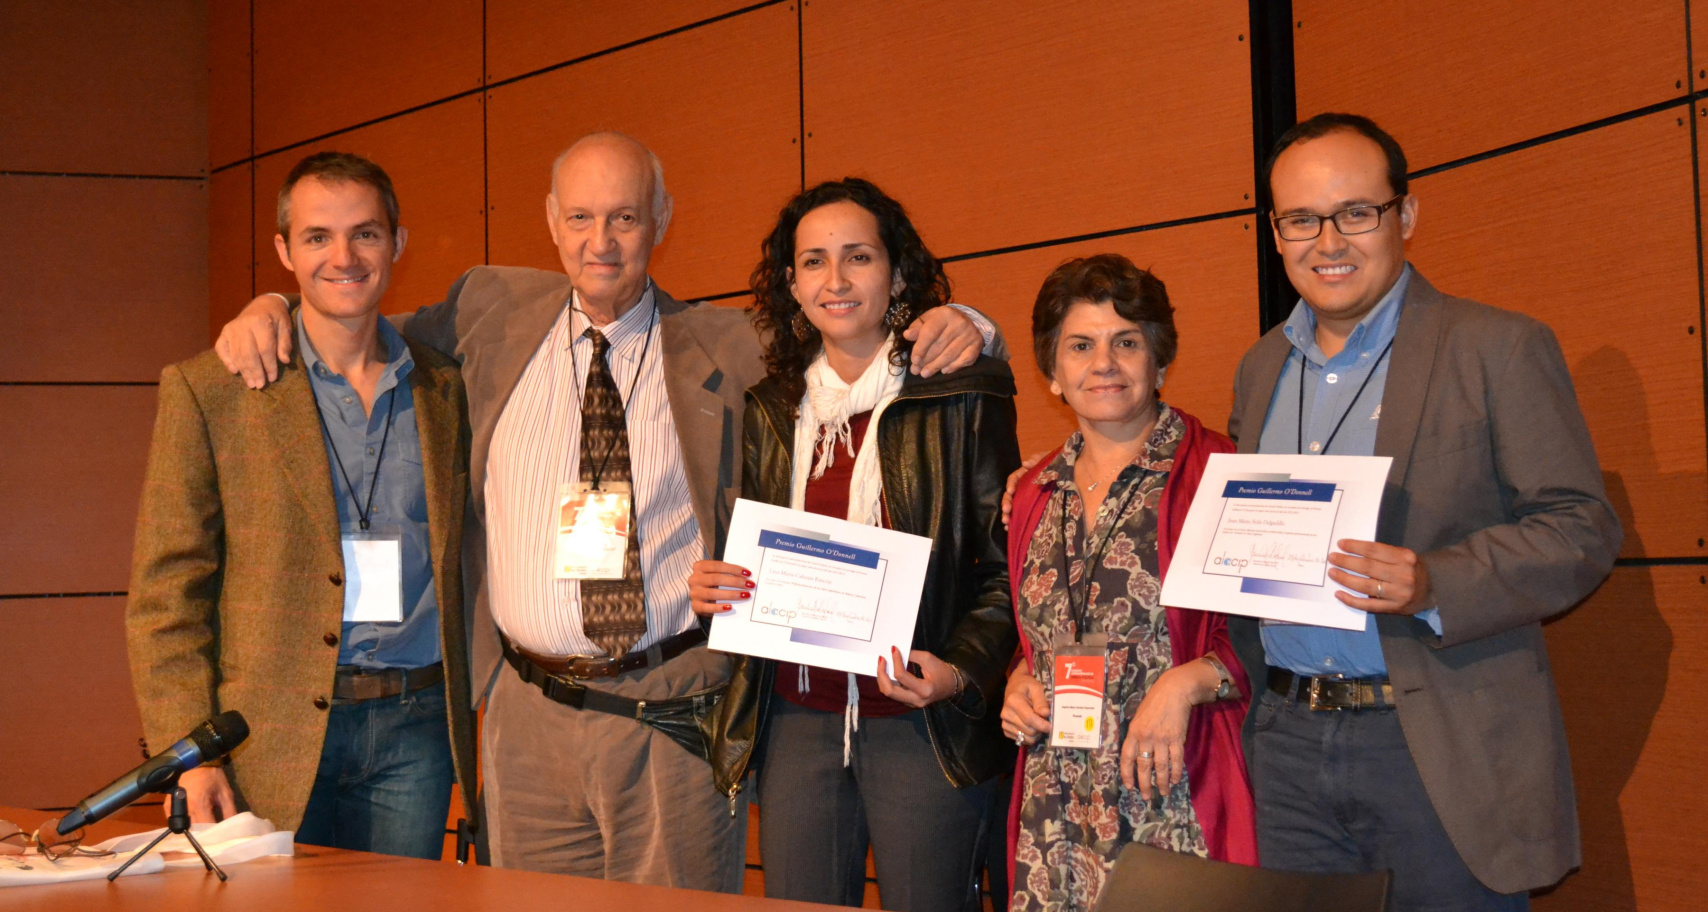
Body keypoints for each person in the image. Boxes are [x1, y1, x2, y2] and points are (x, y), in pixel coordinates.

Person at [212, 133, 1000, 890]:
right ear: (551, 220)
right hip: (527, 721)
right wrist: (273, 303)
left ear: (660, 220)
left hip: (673, 714)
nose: (602, 241)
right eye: (581, 218)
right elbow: (355, 315)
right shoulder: (488, 312)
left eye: (625, 217)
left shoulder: (729, 342)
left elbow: (851, 332)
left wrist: (970, 324)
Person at [1227, 113, 1622, 911]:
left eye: (1355, 213)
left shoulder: (1495, 347)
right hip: (1287, 743)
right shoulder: (1262, 365)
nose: (1327, 241)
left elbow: (1582, 527)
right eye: (1301, 219)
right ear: (1276, 233)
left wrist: (1434, 581)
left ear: (1405, 217)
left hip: (1433, 743)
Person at [126, 152, 478, 858]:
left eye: (366, 234)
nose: (344, 257)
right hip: (266, 733)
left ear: (397, 244)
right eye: (318, 237)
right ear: (284, 250)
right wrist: (192, 753)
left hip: (417, 731)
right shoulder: (214, 389)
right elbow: (166, 597)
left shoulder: (446, 385)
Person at [691, 178, 1021, 912]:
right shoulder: (771, 409)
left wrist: (961, 671)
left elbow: (1008, 570)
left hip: (918, 720)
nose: (835, 281)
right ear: (791, 282)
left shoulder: (962, 394)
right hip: (796, 720)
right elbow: (755, 557)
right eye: (813, 262)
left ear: (897, 274)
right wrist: (719, 589)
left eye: (858, 257)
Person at [999, 254, 1257, 912]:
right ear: (1053, 374)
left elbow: (1268, 635)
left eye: (1127, 342)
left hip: (1174, 797)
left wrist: (1187, 679)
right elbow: (1042, 633)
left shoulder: (1220, 470)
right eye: (1080, 346)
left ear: (1159, 361)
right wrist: (1018, 680)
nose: (1103, 363)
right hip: (1054, 813)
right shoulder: (1031, 492)